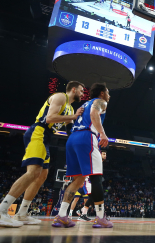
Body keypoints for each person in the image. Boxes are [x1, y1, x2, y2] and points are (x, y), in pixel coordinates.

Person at [0, 81, 85, 228]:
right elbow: (50, 118)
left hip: (46, 137)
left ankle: (22, 214)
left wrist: (81, 136)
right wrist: (73, 116)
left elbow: (69, 131)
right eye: (81, 91)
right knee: (33, 173)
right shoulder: (60, 97)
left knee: (42, 176)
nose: (83, 94)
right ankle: (2, 210)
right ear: (73, 89)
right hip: (37, 132)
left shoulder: (70, 108)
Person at [52, 83, 112, 228]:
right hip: (87, 137)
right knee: (96, 177)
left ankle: (61, 215)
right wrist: (103, 134)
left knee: (78, 180)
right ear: (102, 93)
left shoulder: (83, 105)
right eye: (108, 92)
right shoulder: (100, 102)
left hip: (72, 139)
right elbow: (93, 114)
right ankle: (100, 217)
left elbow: (70, 121)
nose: (109, 96)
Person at [77, 151, 107, 221]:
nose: (105, 155)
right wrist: (81, 180)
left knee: (93, 198)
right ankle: (82, 213)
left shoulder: (100, 162)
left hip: (92, 182)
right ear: (100, 154)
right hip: (87, 181)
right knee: (92, 197)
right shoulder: (94, 160)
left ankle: (82, 211)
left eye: (105, 154)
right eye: (104, 154)